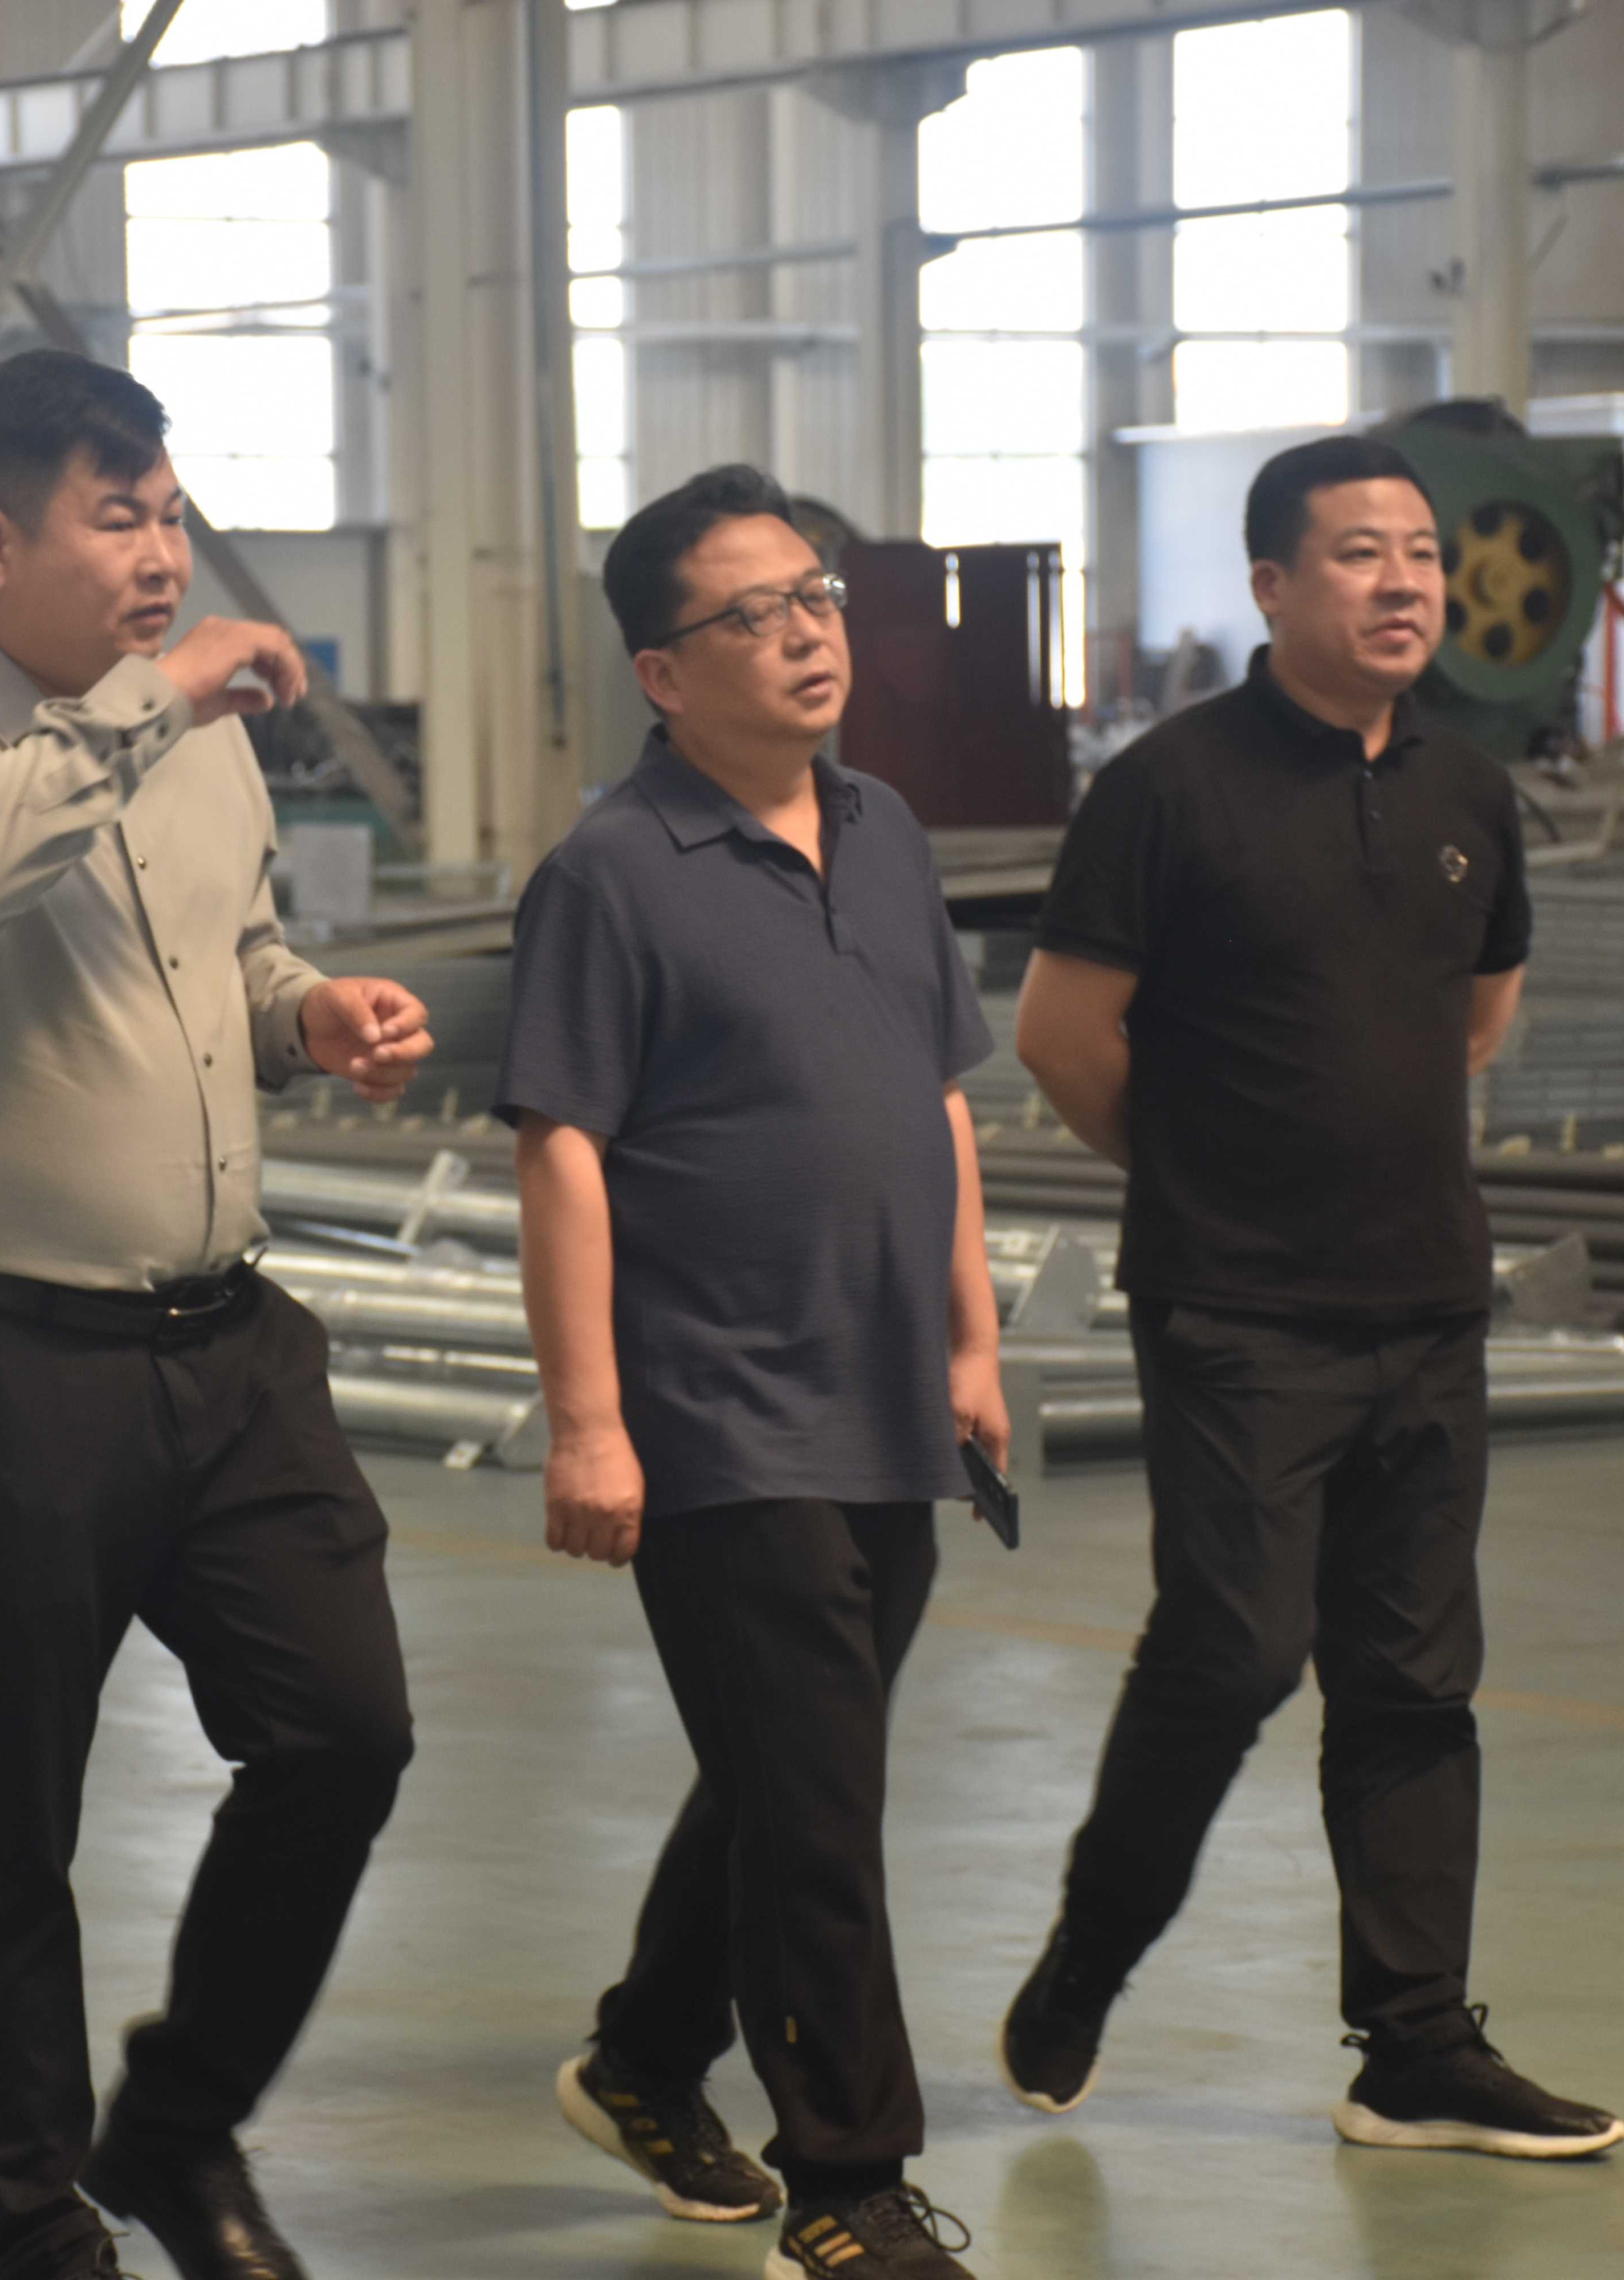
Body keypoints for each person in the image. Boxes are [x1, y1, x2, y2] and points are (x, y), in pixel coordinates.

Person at [0, 347, 434, 2280]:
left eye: (171, 517)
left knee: (343, 1732)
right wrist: (151, 705)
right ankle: (33, 2236)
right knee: (8, 1833)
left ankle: (172, 2125)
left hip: (225, 1352)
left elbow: (232, 952)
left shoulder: (196, 736)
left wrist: (310, 1013)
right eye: (117, 519)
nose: (163, 557)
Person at [1001, 433, 1624, 2159]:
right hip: (1236, 1313)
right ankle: (1090, 1956)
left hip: (1426, 1306)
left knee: (1416, 1682)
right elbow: (1061, 1036)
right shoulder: (1168, 789)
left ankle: (1415, 2047)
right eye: (1361, 553)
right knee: (1233, 1654)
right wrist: (1214, 1176)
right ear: (1273, 585)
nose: (1406, 581)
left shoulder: (1466, 792)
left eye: (1421, 550)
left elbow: (1476, 1017)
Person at [497, 464, 1010, 2280]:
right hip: (721, 1408)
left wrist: (971, 1337)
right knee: (818, 1809)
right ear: (663, 670)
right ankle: (850, 2185)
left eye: (817, 598)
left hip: (888, 1394)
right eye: (754, 613)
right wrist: (590, 1424)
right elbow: (561, 1149)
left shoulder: (886, 830)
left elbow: (938, 1099)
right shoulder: (611, 875)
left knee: (793, 1770)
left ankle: (645, 2056)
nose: (806, 634)